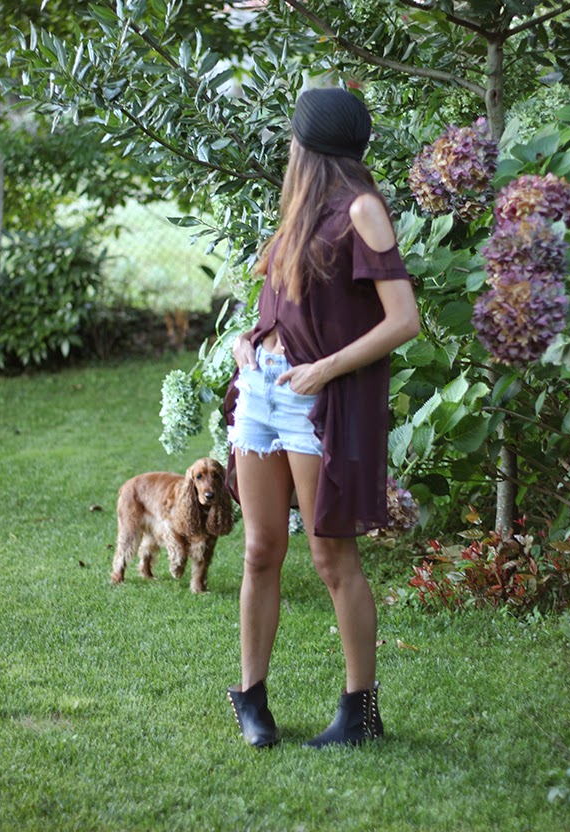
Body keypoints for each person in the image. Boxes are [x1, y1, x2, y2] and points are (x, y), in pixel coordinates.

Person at [223, 87, 420, 749]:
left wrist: (327, 368)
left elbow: (404, 320)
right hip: (261, 394)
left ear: (307, 144)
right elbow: (289, 308)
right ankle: (251, 699)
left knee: (331, 555)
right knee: (259, 551)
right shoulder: (300, 212)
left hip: (314, 400)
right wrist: (249, 339)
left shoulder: (362, 208)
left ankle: (360, 712)